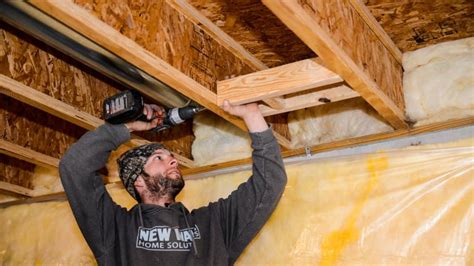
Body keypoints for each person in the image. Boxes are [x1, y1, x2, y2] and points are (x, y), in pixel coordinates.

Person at [59, 100, 287, 265]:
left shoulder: (213, 225)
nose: (173, 161)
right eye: (159, 158)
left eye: (170, 157)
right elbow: (74, 167)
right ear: (138, 181)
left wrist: (252, 115)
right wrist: (125, 128)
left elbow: (270, 183)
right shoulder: (115, 231)